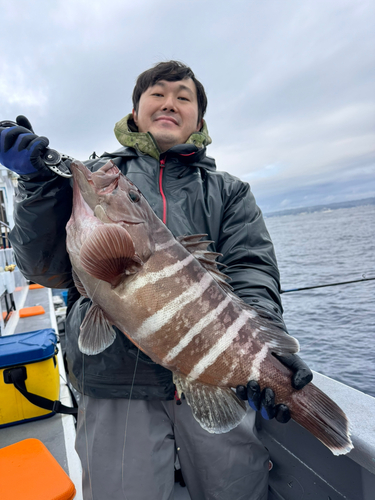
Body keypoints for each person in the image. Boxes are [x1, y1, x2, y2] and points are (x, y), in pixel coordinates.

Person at [1, 61, 312, 500]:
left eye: (183, 97)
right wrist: (35, 185)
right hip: (112, 384)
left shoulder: (229, 191)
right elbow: (45, 268)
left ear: (198, 120)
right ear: (135, 111)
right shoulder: (91, 176)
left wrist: (268, 351)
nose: (170, 103)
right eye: (157, 94)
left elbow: (251, 270)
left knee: (236, 489)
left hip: (215, 379)